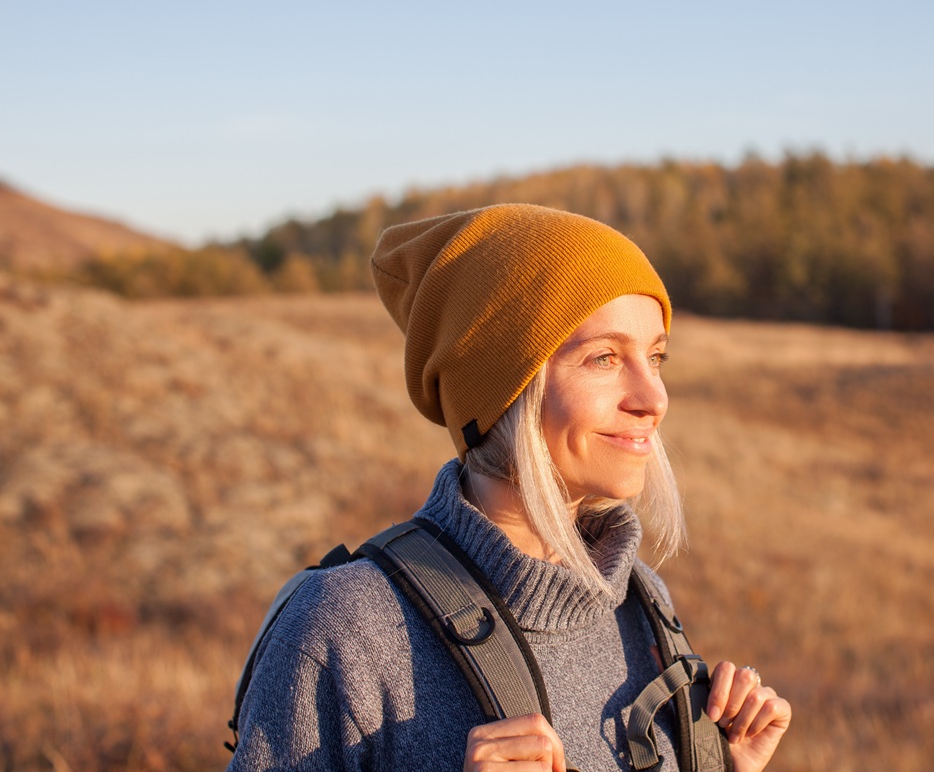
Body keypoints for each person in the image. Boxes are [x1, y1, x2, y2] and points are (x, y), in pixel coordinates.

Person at [228, 204, 791, 772]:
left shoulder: (643, 602)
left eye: (655, 357)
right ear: (504, 389)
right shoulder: (346, 627)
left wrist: (719, 765)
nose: (654, 398)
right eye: (604, 358)